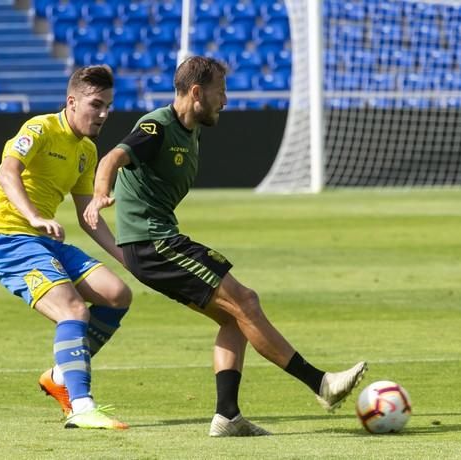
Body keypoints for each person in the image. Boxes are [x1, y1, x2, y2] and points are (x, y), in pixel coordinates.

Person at [83, 56, 367, 436]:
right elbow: (112, 158)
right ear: (197, 92)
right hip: (154, 243)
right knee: (245, 300)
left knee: (233, 318)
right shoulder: (156, 126)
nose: (227, 100)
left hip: (158, 242)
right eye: (221, 91)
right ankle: (321, 384)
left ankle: (227, 416)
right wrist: (101, 195)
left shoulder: (191, 129)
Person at [0, 65, 131, 430]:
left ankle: (60, 375)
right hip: (8, 238)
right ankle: (81, 404)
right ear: (72, 101)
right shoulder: (40, 128)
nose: (104, 113)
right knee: (73, 311)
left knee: (117, 294)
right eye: (96, 105)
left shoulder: (87, 151)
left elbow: (86, 215)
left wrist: (128, 257)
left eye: (108, 105)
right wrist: (33, 215)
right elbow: (6, 172)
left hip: (44, 240)